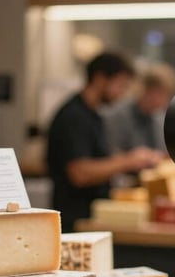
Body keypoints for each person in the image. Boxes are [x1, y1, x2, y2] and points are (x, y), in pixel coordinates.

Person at [46, 51, 164, 231]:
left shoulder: (94, 115)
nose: (122, 94)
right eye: (120, 85)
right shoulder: (74, 117)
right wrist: (127, 162)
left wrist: (132, 158)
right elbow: (80, 173)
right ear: (100, 79)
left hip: (90, 217)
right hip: (74, 221)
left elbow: (98, 159)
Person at [102, 61, 175, 155]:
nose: (167, 101)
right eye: (165, 95)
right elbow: (110, 153)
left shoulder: (159, 118)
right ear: (150, 91)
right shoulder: (118, 115)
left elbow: (161, 152)